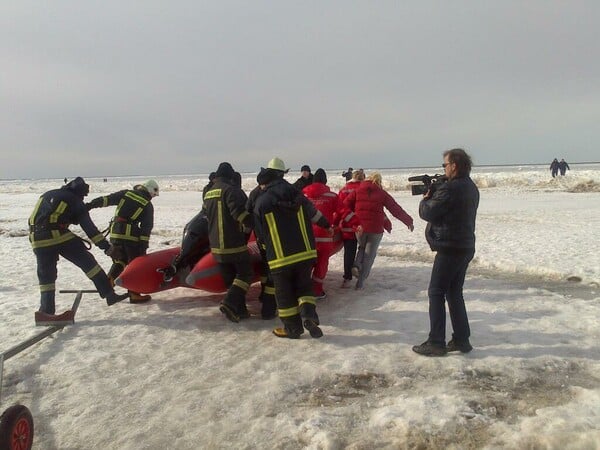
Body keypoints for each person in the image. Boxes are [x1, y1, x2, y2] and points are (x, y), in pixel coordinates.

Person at [29, 177, 128, 325]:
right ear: (80, 193)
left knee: (46, 275)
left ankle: (46, 312)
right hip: (55, 235)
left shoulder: (49, 194)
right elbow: (90, 230)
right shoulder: (75, 200)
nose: (83, 199)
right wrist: (108, 249)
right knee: (88, 263)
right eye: (83, 196)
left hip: (35, 237)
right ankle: (109, 294)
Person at [253, 158, 332, 339]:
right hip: (305, 252)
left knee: (285, 295)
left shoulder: (262, 202)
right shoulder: (297, 194)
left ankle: (293, 328)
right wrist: (327, 225)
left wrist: (265, 251)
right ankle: (309, 315)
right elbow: (314, 214)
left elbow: (260, 233)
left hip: (280, 256)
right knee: (304, 287)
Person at [412, 148, 479, 357]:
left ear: (454, 165)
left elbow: (428, 212)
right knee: (453, 292)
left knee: (436, 291)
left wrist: (425, 198)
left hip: (450, 247)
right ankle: (461, 339)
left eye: (445, 165)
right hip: (464, 245)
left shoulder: (450, 189)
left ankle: (436, 341)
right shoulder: (470, 187)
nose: (444, 168)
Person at [86, 179, 159, 303]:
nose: (153, 197)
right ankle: (134, 294)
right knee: (135, 265)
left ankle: (108, 286)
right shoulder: (147, 204)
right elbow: (146, 228)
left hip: (115, 233)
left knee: (119, 260)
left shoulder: (126, 193)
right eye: (153, 194)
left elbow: (107, 199)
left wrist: (90, 204)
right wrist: (143, 245)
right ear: (150, 190)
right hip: (130, 237)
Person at [344, 172, 414, 289]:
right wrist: (408, 221)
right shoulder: (382, 193)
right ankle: (360, 282)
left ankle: (356, 265)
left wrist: (351, 218)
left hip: (360, 227)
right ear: (379, 181)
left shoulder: (357, 191)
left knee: (361, 247)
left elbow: (344, 205)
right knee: (370, 255)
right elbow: (395, 208)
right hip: (375, 229)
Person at [203, 162, 254, 323]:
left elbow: (205, 216)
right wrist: (255, 224)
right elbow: (239, 214)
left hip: (216, 245)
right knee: (246, 275)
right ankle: (229, 303)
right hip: (233, 243)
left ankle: (241, 310)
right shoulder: (231, 191)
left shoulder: (209, 193)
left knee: (231, 279)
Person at [302, 168, 354, 298]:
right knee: (321, 264)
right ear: (325, 181)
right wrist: (356, 223)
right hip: (324, 237)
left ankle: (302, 289)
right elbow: (344, 212)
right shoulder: (332, 196)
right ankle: (317, 291)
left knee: (305, 263)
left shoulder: (303, 196)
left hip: (305, 237)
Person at [338, 169, 365, 287]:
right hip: (362, 225)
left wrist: (336, 223)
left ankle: (347, 277)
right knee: (364, 248)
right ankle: (358, 267)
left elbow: (339, 207)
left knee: (349, 251)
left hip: (347, 225)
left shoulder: (344, 189)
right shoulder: (364, 189)